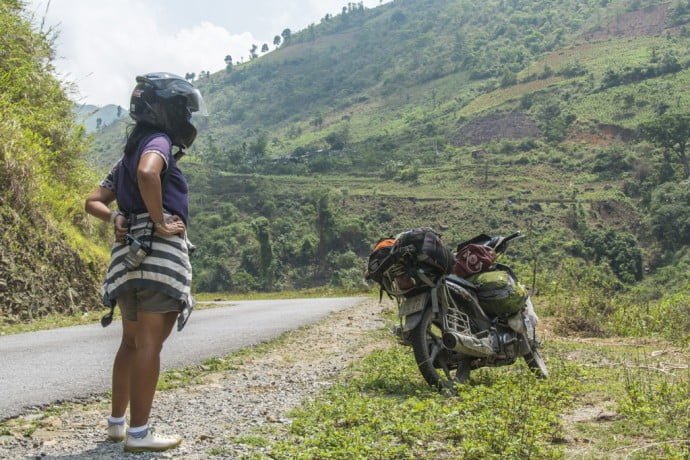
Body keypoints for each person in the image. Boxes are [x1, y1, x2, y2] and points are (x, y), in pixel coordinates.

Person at [85, 72, 206, 452]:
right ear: (167, 110)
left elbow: (93, 201)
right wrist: (159, 220)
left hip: (126, 256)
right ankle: (140, 434)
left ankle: (117, 424)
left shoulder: (127, 154)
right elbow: (149, 173)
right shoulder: (159, 142)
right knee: (150, 343)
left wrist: (116, 218)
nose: (186, 115)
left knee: (131, 341)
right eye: (183, 108)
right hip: (158, 254)